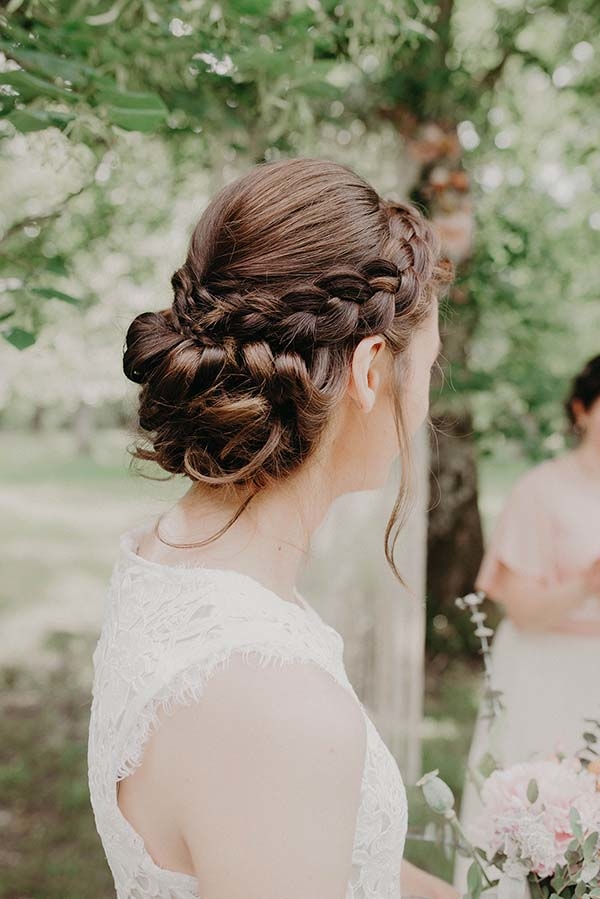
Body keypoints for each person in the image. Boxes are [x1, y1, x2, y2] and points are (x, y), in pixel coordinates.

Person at [87, 156, 457, 899]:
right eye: (429, 370)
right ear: (371, 368)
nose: (423, 408)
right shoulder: (274, 703)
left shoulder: (173, 558)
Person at [453, 353, 600, 892]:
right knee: (535, 801)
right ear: (582, 410)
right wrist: (587, 582)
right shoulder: (541, 490)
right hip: (543, 668)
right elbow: (522, 609)